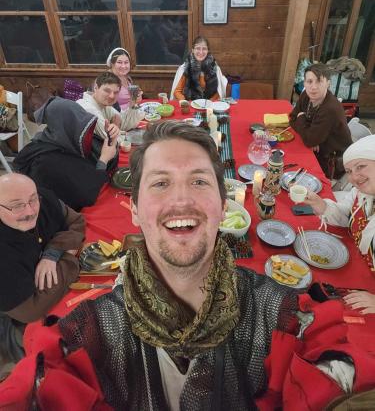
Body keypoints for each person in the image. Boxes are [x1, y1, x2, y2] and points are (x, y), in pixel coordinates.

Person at [57, 121, 297, 409]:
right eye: (160, 183)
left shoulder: (280, 316)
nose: (181, 200)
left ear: (223, 207)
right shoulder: (88, 334)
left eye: (199, 181)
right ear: (134, 210)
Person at [0, 173, 84, 377]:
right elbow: (29, 310)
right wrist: (70, 259)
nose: (30, 211)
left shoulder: (43, 199)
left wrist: (52, 253)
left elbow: (76, 221)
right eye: (17, 205)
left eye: (32, 200)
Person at [305, 135, 375, 314]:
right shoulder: (362, 193)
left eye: (361, 166)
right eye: (349, 171)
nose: (354, 177)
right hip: (356, 271)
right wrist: (321, 205)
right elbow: (347, 214)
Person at [14, 97, 118, 211]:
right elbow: (87, 194)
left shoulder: (60, 138)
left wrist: (109, 139)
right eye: (81, 128)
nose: (88, 134)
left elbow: (100, 159)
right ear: (69, 127)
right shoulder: (47, 162)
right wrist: (103, 160)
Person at [289, 63, 352, 179]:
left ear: (328, 83)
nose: (313, 87)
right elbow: (292, 119)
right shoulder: (306, 95)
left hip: (331, 162)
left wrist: (302, 118)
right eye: (310, 81)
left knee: (291, 174)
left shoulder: (330, 108)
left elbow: (309, 140)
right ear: (304, 83)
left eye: (319, 81)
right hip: (318, 150)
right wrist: (310, 135)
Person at [77, 71, 144, 139]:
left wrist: (133, 103)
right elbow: (110, 139)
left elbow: (123, 123)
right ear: (96, 87)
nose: (112, 96)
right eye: (107, 91)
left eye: (115, 92)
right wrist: (116, 127)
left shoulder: (103, 104)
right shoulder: (89, 109)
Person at [170, 36, 227, 101]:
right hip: (190, 104)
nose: (201, 52)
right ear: (193, 50)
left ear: (208, 51)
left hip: (209, 106)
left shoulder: (214, 68)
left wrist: (209, 102)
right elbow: (177, 91)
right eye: (198, 48)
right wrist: (186, 102)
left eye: (204, 49)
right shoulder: (185, 68)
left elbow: (218, 91)